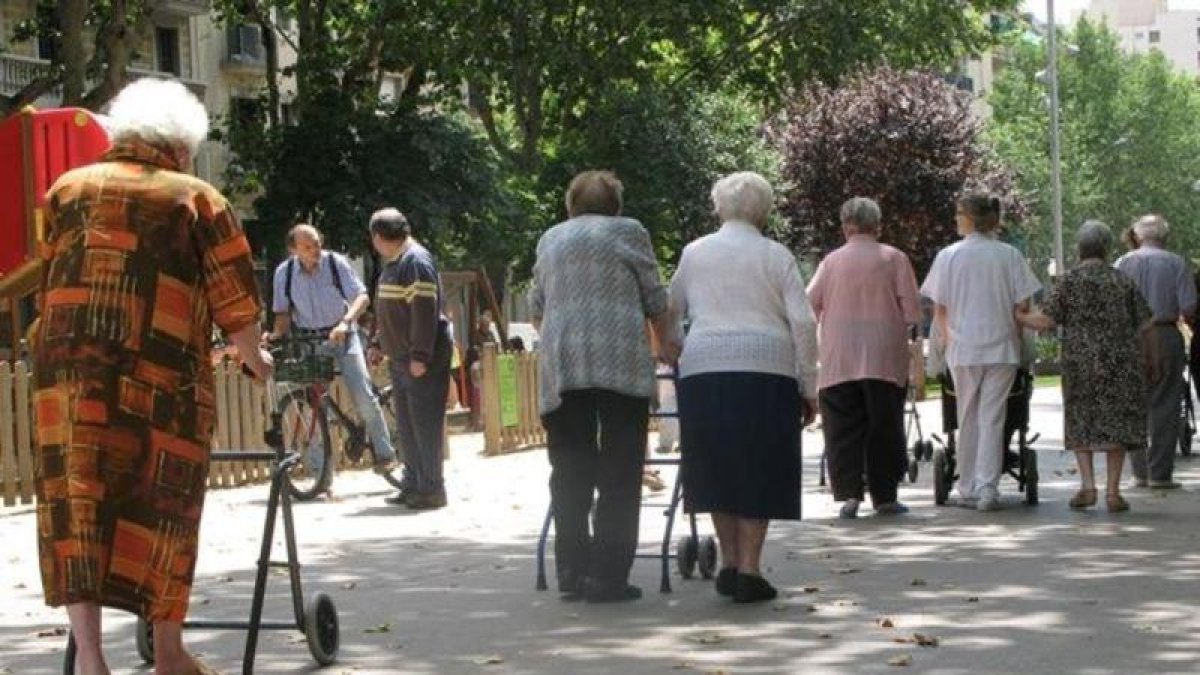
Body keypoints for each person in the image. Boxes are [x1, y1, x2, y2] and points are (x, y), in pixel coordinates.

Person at [32, 78, 273, 675]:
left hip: (66, 384)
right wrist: (257, 361)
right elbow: (234, 303)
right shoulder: (196, 198)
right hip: (161, 388)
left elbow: (48, 275)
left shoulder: (65, 190)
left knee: (75, 511)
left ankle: (91, 659)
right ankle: (168, 653)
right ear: (181, 146)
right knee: (165, 505)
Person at [669, 172, 818, 603]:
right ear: (764, 211)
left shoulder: (694, 254)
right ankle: (750, 567)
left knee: (718, 461)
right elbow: (804, 322)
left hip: (704, 369)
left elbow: (670, 308)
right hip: (766, 369)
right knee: (759, 462)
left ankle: (731, 562)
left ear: (719, 207)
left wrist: (677, 348)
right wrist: (808, 383)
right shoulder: (775, 255)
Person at [530, 170, 676, 603]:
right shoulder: (630, 232)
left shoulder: (550, 239)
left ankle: (572, 571)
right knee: (620, 469)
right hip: (620, 364)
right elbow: (655, 299)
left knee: (570, 468)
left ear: (570, 205)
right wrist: (666, 344)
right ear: (616, 205)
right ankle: (608, 576)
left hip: (564, 364)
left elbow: (538, 310)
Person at [1016, 221, 1150, 512]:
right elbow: (1145, 320)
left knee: (1081, 418)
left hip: (1081, 362)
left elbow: (1046, 321)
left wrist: (1019, 316)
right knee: (1117, 420)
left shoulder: (1068, 281)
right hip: (1120, 359)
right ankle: (1113, 492)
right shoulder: (1121, 280)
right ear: (1106, 248)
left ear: (1080, 248)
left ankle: (1088, 486)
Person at [921, 192, 1040, 512]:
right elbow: (1022, 307)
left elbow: (940, 309)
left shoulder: (948, 256)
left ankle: (967, 485)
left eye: (958, 213)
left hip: (964, 349)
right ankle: (988, 488)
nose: (955, 218)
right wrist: (1016, 342)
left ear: (971, 218)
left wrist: (948, 343)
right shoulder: (1009, 255)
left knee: (967, 416)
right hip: (1001, 347)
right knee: (993, 417)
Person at [807, 197, 921, 519]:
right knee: (883, 425)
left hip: (839, 357)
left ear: (846, 226)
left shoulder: (830, 262)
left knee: (843, 428)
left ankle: (849, 495)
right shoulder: (894, 258)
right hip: (883, 357)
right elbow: (911, 311)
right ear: (878, 225)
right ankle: (885, 496)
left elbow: (809, 305)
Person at [267, 223, 398, 490]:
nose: (315, 249)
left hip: (344, 335)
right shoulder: (285, 273)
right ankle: (321, 475)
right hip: (311, 340)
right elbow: (282, 313)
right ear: (294, 250)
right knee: (313, 406)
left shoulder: (335, 263)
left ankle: (385, 455)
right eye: (308, 246)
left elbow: (361, 297)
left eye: (317, 243)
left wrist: (346, 321)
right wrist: (274, 335)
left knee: (362, 393)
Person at [369, 208, 454, 509]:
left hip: (419, 357)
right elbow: (391, 310)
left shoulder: (415, 261)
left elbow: (423, 311)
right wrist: (380, 342)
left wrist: (420, 355)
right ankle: (413, 482)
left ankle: (432, 488)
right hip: (400, 355)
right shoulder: (394, 263)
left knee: (425, 423)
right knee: (407, 424)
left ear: (378, 237)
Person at [1115, 215, 1197, 489]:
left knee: (1133, 404)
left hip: (1129, 335)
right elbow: (1189, 307)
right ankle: (1160, 473)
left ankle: (1139, 471)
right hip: (1164, 332)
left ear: (1137, 236)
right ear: (1164, 236)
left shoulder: (1123, 263)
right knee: (1165, 403)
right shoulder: (1176, 263)